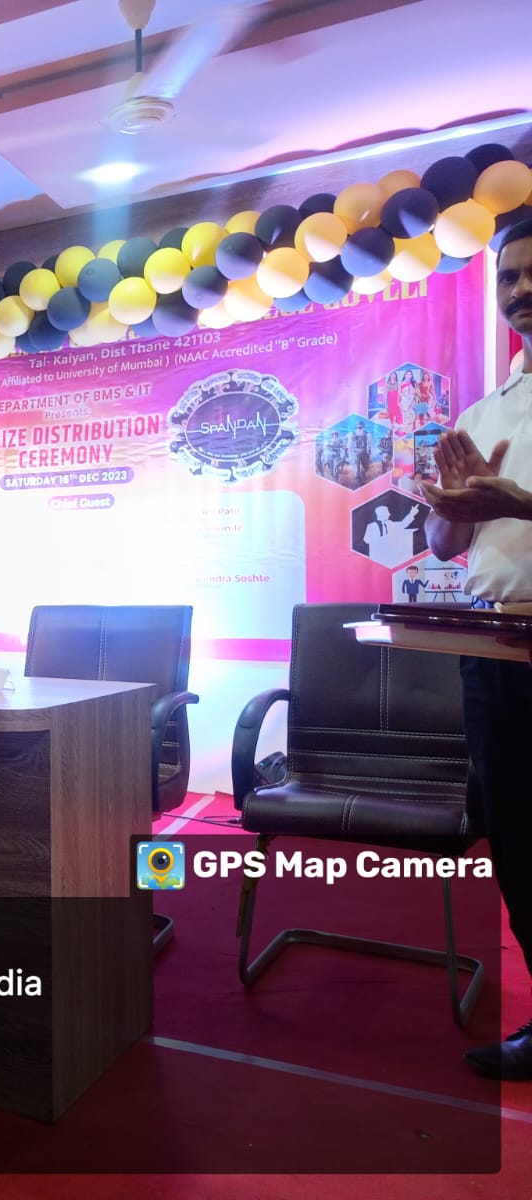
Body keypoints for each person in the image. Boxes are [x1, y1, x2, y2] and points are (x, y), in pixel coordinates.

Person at [422, 217, 532, 1081]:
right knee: (519, 844)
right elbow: (446, 545)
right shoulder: (485, 409)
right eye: (508, 277)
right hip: (495, 651)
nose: (520, 289)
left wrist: (520, 505)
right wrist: (453, 506)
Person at [361, 501, 419, 567]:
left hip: (391, 557)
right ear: (381, 513)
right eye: (387, 512)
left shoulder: (391, 524)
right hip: (377, 558)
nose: (389, 514)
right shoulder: (371, 526)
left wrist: (411, 514)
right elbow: (367, 540)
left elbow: (403, 524)